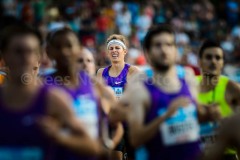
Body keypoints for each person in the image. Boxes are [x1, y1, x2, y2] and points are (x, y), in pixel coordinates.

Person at [117, 25, 221, 160]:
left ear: (175, 50)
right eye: (158, 45)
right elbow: (135, 139)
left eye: (169, 44)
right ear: (148, 52)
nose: (164, 50)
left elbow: (194, 116)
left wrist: (208, 113)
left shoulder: (188, 77)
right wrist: (167, 115)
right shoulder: (139, 88)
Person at [0, 25, 103, 160]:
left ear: (38, 58)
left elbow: (93, 146)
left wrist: (60, 137)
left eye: (30, 52)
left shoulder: (52, 97)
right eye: (18, 51)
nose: (24, 58)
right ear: (4, 55)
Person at [45, 28, 123, 160]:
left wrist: (109, 145)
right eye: (58, 47)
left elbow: (117, 122)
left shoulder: (96, 86)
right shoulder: (43, 87)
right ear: (49, 52)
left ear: (78, 49)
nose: (64, 52)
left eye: (69, 46)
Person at [97, 34, 140, 160]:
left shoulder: (133, 71)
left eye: (117, 48)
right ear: (107, 52)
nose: (114, 51)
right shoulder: (101, 72)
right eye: (111, 48)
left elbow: (141, 98)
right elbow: (100, 99)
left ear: (124, 51)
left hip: (130, 122)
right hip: (113, 123)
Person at [196, 40, 240, 159]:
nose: (213, 61)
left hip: (225, 155)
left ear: (223, 63)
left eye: (218, 58)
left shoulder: (232, 88)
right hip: (197, 154)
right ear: (199, 61)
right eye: (208, 57)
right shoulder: (189, 85)